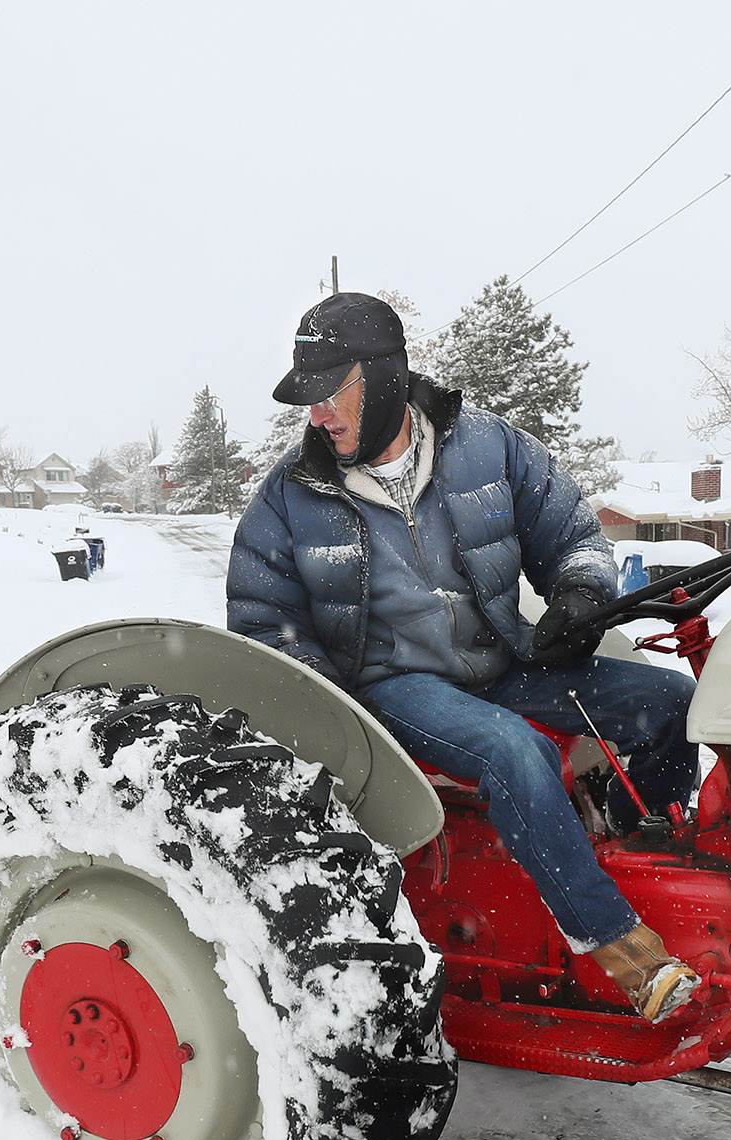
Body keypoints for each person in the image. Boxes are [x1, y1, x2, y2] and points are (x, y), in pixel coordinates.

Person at [227, 292, 704, 1022]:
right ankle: (629, 956)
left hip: (499, 659)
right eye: (309, 401)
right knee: (516, 754)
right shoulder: (291, 495)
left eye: (330, 394)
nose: (317, 415)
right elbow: (263, 622)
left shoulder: (489, 447)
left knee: (668, 699)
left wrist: (579, 590)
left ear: (384, 377)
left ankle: (630, 835)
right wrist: (334, 710)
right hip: (391, 685)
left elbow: (573, 530)